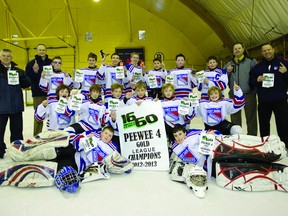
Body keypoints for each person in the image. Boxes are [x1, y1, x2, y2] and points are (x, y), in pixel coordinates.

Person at [249, 43, 288, 148]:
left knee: (283, 125)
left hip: (280, 101)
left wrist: (285, 73)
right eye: (264, 51)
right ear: (262, 53)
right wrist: (257, 79)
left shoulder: (283, 64)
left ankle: (285, 146)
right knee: (264, 126)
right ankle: (265, 147)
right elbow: (251, 82)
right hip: (264, 101)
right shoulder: (257, 67)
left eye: (269, 50)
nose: (267, 52)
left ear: (273, 50)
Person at [0, 49, 31, 158]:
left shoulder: (18, 71)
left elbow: (26, 84)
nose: (6, 58)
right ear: (0, 57)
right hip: (1, 108)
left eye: (8, 56)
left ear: (11, 58)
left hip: (16, 107)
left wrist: (23, 76)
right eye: (4, 55)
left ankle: (17, 151)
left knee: (17, 132)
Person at [224, 42, 258, 135]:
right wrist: (228, 71)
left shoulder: (251, 61)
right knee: (235, 117)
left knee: (251, 117)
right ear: (233, 51)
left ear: (243, 49)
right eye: (235, 49)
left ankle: (252, 136)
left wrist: (254, 89)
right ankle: (237, 137)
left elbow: (257, 76)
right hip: (234, 95)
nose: (237, 50)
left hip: (248, 94)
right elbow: (223, 79)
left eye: (239, 48)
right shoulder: (229, 64)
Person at [25, 44, 52, 136]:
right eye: (39, 50)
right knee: (38, 116)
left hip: (51, 93)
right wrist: (35, 72)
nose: (41, 51)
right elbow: (28, 79)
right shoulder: (31, 64)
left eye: (43, 50)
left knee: (53, 116)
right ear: (37, 51)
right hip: (38, 94)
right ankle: (36, 136)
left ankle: (53, 135)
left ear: (46, 50)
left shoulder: (51, 62)